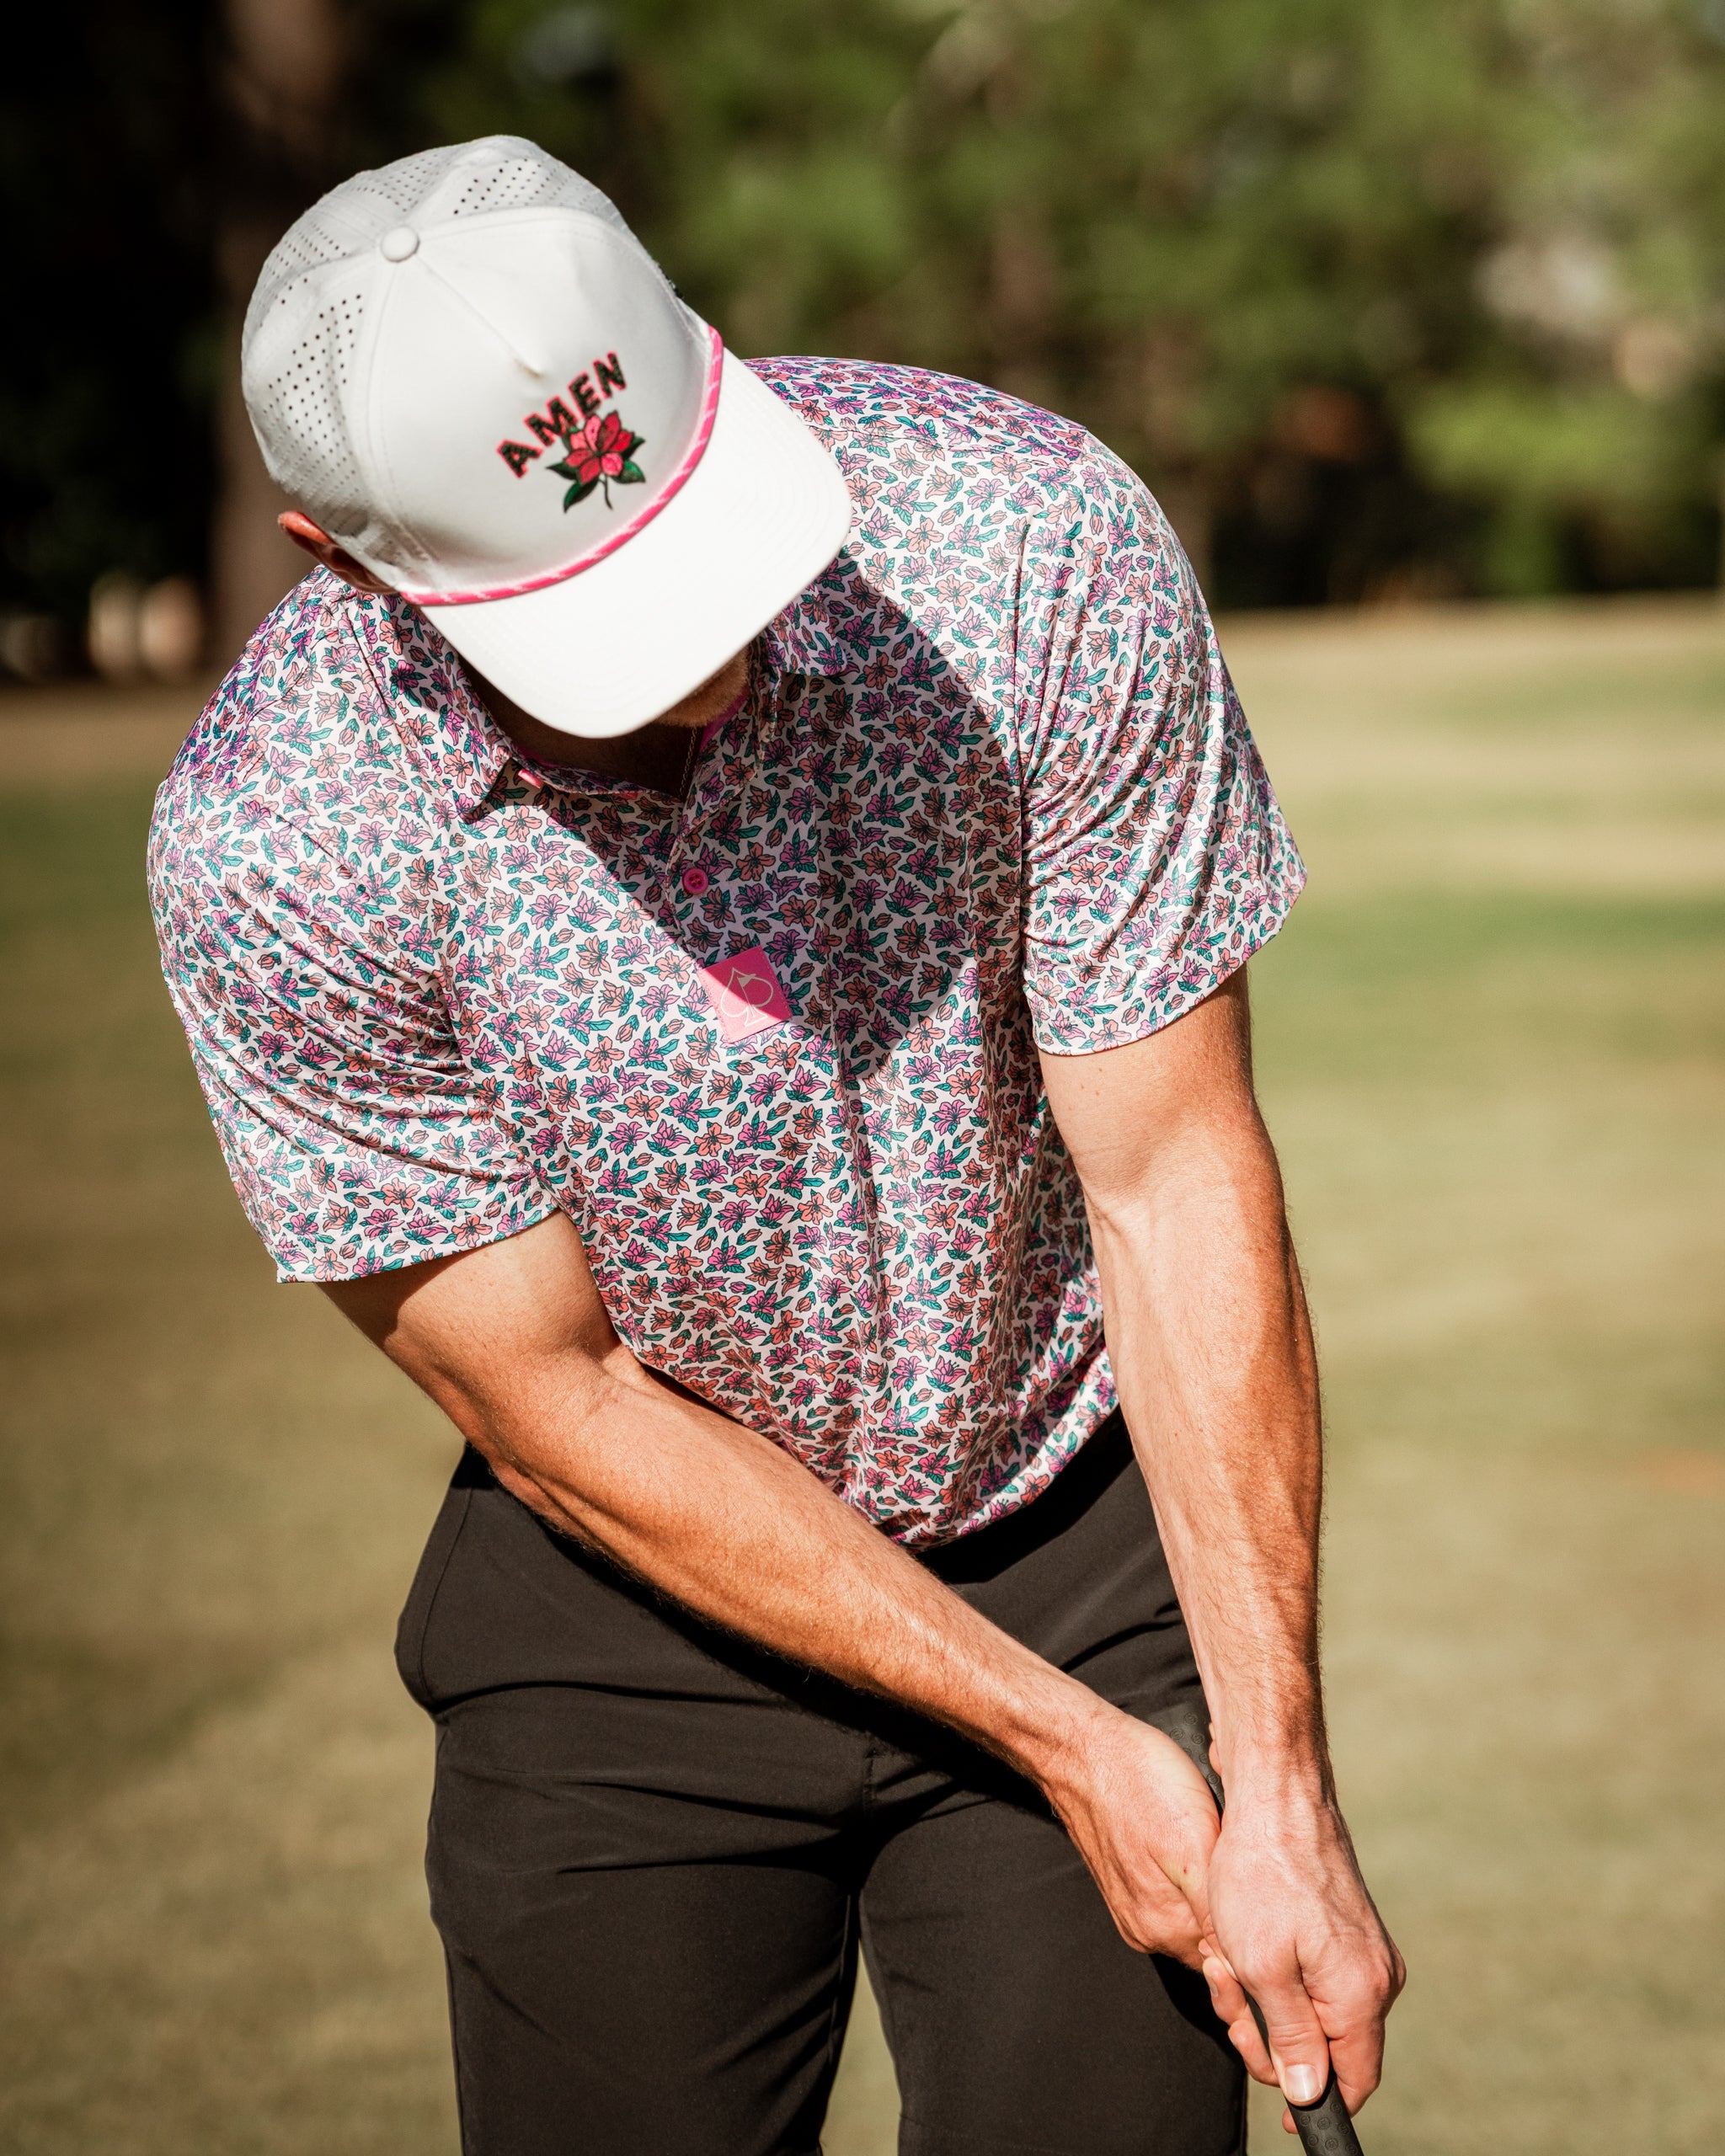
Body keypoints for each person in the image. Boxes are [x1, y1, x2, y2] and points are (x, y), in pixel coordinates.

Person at [150, 135, 1402, 2156]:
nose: (715, 661)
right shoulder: (279, 838)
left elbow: (1169, 1175)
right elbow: (550, 1390)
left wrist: (1273, 1785)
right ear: (343, 554)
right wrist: (1067, 1749)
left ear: (701, 361)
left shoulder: (1021, 540)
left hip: (1071, 1526)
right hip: (630, 1615)